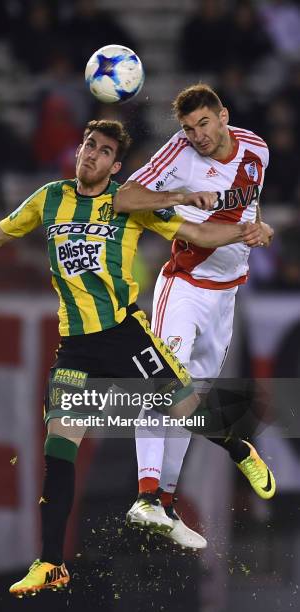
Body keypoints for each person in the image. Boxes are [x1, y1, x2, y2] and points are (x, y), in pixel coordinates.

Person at [0, 119, 271, 597]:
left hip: (124, 335)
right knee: (58, 447)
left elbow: (197, 234)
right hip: (76, 345)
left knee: (185, 410)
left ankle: (242, 451)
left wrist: (245, 233)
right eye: (88, 145)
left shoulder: (127, 203)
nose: (91, 154)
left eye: (103, 150)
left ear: (116, 165)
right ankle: (51, 562)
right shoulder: (49, 198)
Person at [113, 84, 275, 550]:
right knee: (162, 384)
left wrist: (258, 227)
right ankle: (146, 495)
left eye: (204, 124)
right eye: (188, 128)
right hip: (183, 287)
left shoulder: (257, 148)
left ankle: (164, 501)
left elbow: (248, 205)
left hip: (227, 295)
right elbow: (124, 198)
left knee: (192, 404)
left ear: (223, 116)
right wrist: (180, 193)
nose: (197, 135)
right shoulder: (178, 154)